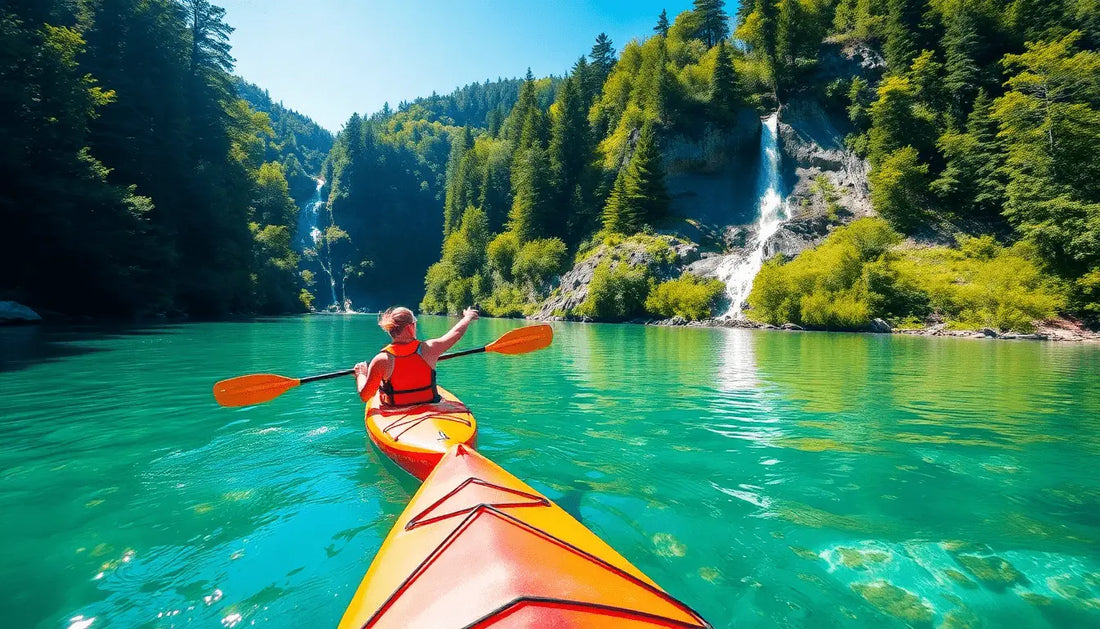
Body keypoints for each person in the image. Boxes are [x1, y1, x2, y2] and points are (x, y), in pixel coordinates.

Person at [354, 306, 479, 406]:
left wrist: (361, 374)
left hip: (396, 411)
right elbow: (456, 333)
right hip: (431, 406)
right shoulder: (429, 349)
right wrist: (467, 317)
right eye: (414, 323)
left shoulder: (381, 360)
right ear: (410, 327)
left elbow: (365, 396)